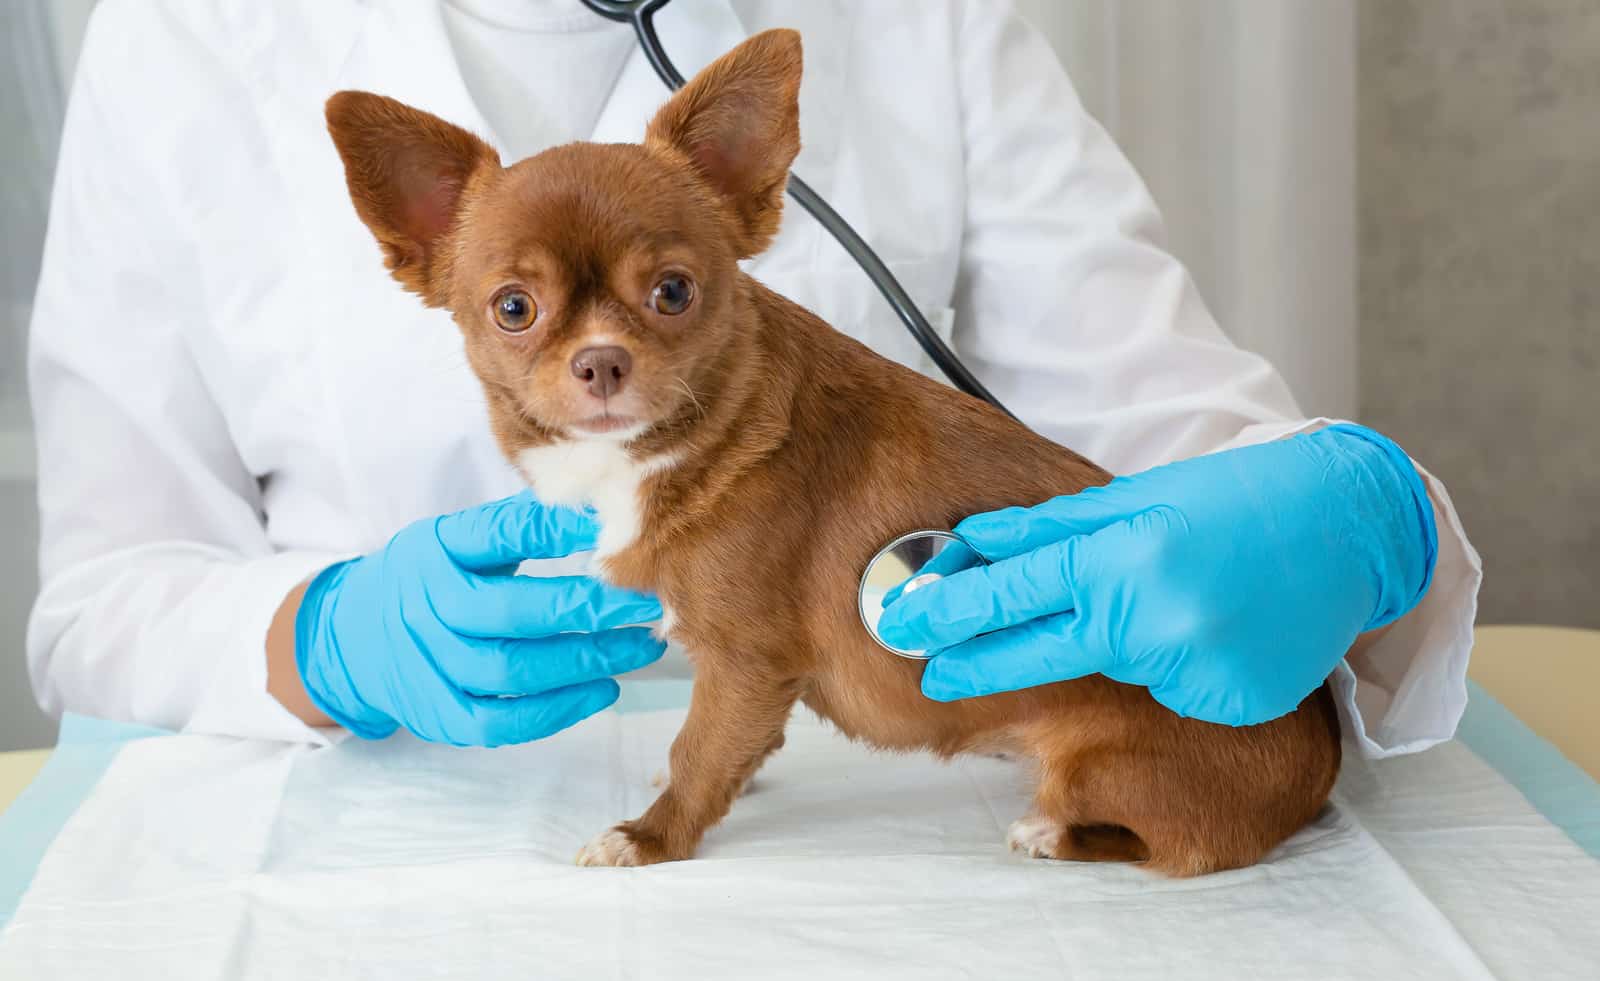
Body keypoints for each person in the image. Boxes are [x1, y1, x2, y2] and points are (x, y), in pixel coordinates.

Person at [27, 0, 1479, 756]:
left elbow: (1178, 439)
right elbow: (102, 599)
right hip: (371, 824)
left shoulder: (920, 23)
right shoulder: (183, 43)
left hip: (881, 805)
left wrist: (1362, 523)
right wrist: (321, 640)